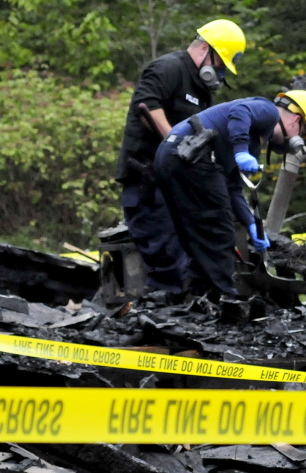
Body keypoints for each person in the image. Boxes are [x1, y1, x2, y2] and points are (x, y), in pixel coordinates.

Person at [115, 19, 246, 294]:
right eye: (221, 64)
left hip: (176, 185)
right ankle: (161, 323)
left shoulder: (202, 90)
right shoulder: (168, 68)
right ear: (205, 50)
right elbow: (147, 105)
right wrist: (176, 145)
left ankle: (194, 318)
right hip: (147, 181)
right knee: (166, 260)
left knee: (189, 257)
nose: (220, 73)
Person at [153, 91, 306, 297]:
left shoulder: (256, 137)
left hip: (170, 157)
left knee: (195, 234)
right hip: (192, 157)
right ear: (297, 120)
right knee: (220, 230)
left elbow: (232, 186)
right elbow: (239, 111)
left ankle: (196, 297)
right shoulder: (268, 111)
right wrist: (241, 151)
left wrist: (250, 223)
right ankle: (224, 298)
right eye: (302, 134)